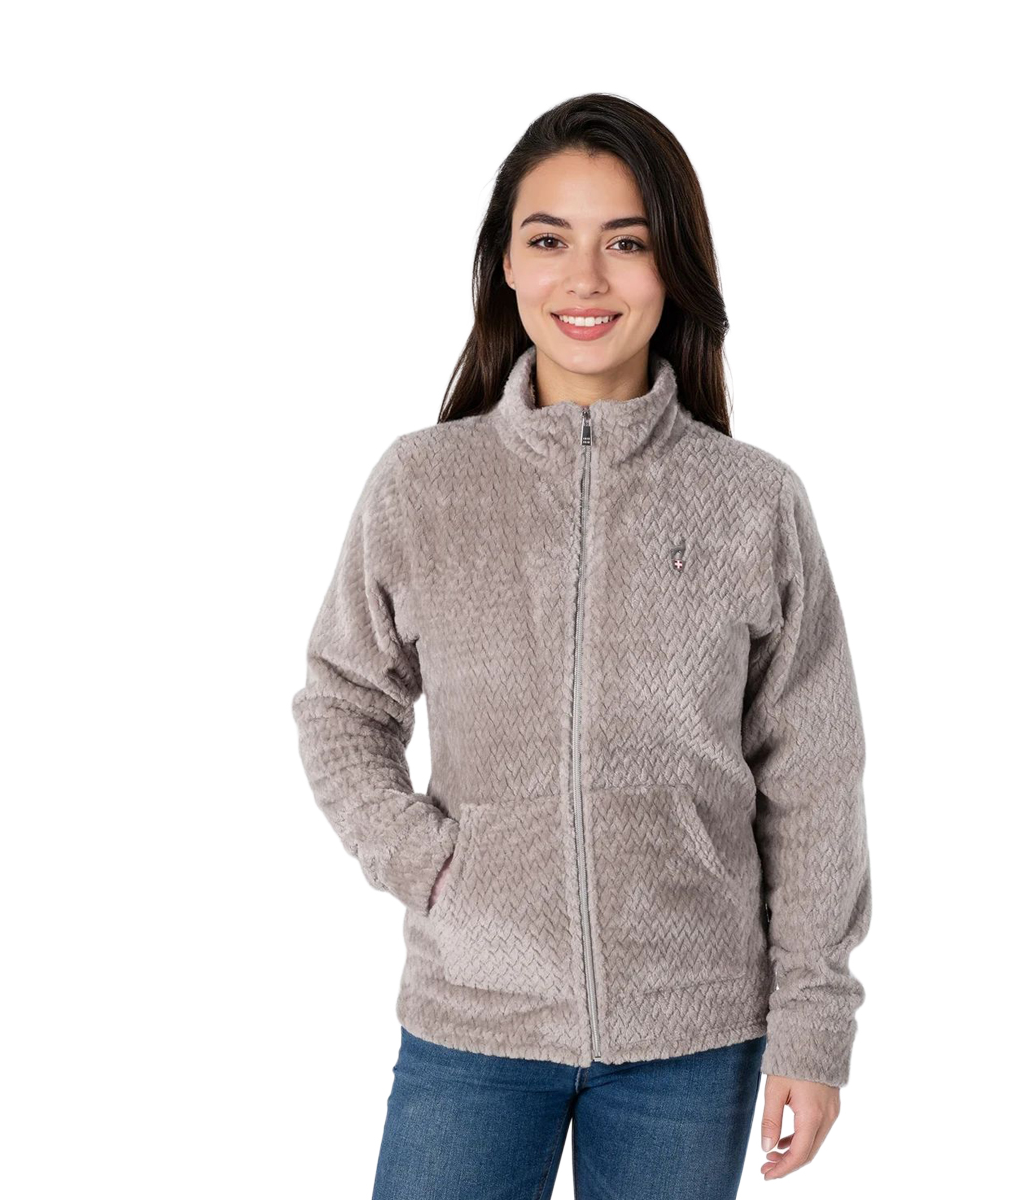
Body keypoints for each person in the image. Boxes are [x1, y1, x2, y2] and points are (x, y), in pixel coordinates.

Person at [291, 92, 871, 1199]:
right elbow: (341, 705)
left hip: (693, 1035)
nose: (586, 279)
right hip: (473, 1019)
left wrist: (813, 1024)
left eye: (627, 243)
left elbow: (814, 773)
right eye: (550, 240)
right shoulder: (424, 484)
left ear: (674, 268)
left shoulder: (753, 502)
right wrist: (430, 866)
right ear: (507, 265)